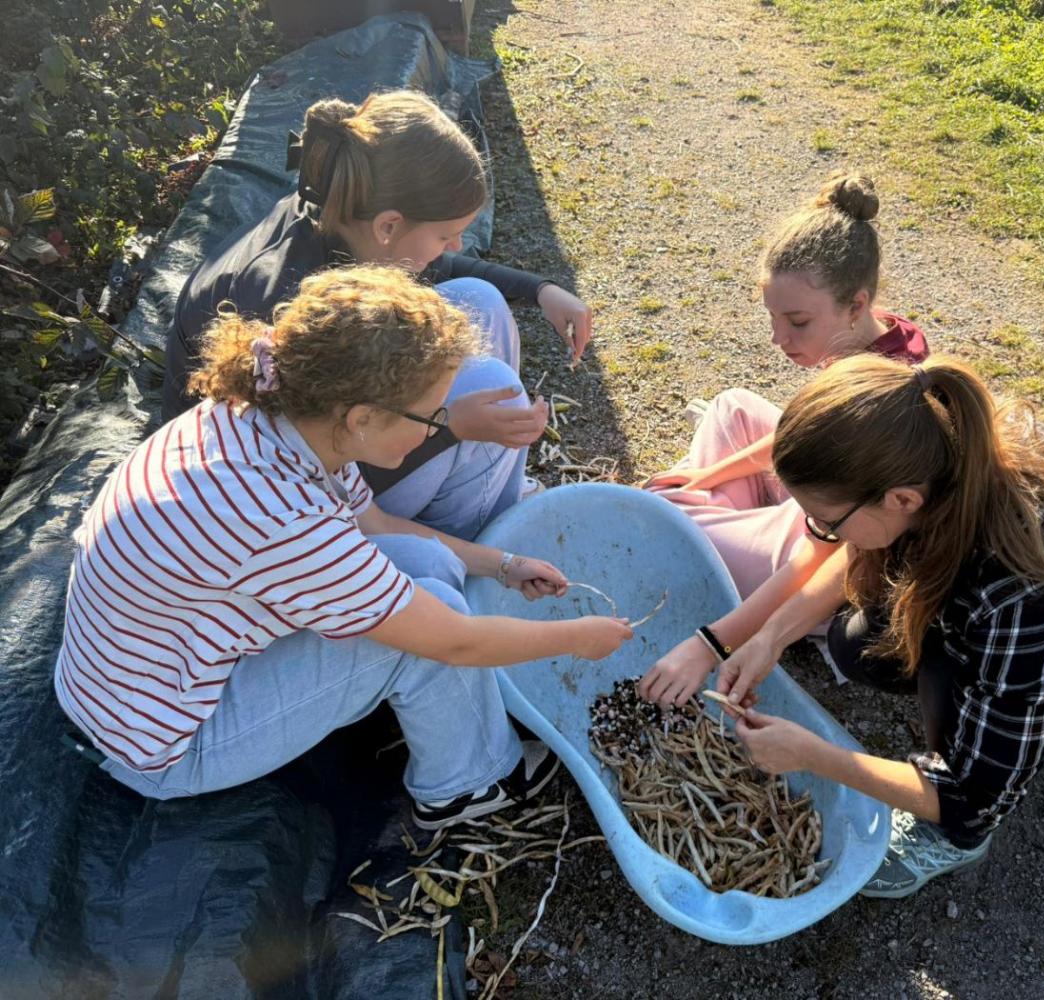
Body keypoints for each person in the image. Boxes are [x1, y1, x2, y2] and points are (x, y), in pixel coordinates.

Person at [642, 353, 1044, 897]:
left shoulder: (1019, 590)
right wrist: (769, 637)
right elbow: (859, 551)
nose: (823, 536)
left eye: (827, 523)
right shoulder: (945, 442)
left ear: (902, 500)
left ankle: (955, 843)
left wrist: (815, 755)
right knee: (860, 642)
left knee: (942, 647)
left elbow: (972, 797)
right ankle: (1000, 721)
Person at [57, 267, 631, 829]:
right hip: (165, 741)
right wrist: (578, 637)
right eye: (431, 415)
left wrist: (503, 566)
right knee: (429, 624)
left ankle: (446, 721)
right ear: (362, 418)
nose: (437, 429)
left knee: (429, 566)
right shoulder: (280, 519)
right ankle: (467, 785)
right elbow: (456, 641)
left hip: (151, 670)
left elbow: (375, 524)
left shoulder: (283, 417)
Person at [163, 89, 595, 541]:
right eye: (445, 235)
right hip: (270, 508)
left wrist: (541, 290)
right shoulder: (283, 304)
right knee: (489, 386)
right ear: (389, 225)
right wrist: (450, 428)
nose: (456, 246)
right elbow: (310, 469)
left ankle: (492, 495)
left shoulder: (344, 214)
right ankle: (470, 546)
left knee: (479, 300)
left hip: (322, 443)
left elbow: (445, 268)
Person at [646, 173, 928, 599]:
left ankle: (718, 534)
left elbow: (838, 535)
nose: (779, 338)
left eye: (798, 322)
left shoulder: (875, 392)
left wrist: (702, 481)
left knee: (663, 511)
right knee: (733, 406)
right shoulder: (881, 331)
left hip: (834, 545)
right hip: (818, 494)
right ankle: (725, 528)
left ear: (856, 304)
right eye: (773, 318)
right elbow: (799, 437)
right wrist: (706, 476)